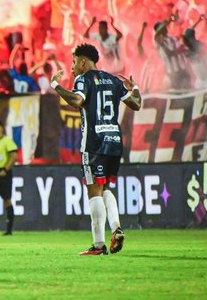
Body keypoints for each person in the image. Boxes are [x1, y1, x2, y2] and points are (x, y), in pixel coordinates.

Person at [50, 44, 141, 256]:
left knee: (93, 190)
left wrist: (56, 85)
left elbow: (77, 100)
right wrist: (134, 88)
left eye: (73, 62)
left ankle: (98, 245)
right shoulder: (113, 80)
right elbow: (136, 104)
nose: (72, 68)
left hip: (94, 142)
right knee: (106, 188)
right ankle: (116, 228)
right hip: (114, 141)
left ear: (83, 62)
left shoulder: (83, 79)